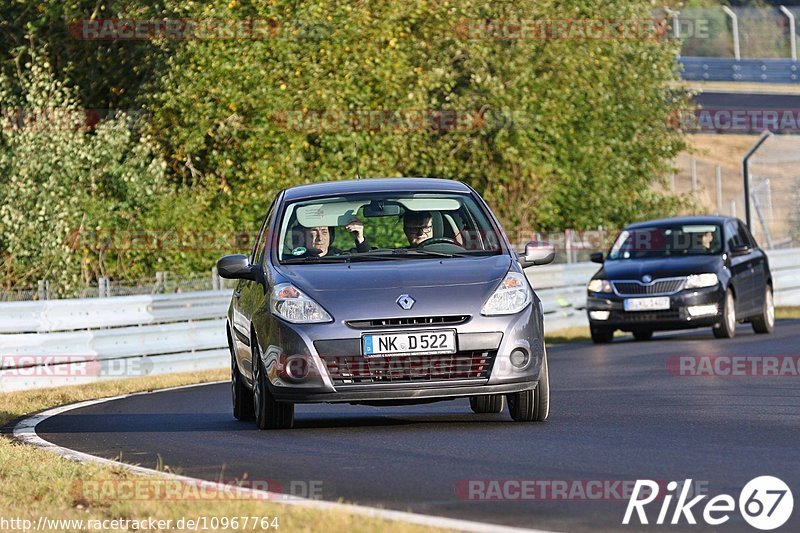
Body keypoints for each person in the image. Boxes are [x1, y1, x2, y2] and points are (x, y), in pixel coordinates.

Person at [293, 217, 369, 256]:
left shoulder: (342, 257)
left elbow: (367, 261)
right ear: (304, 236)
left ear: (330, 235)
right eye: (314, 232)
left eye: (324, 232)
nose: (320, 238)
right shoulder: (294, 262)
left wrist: (360, 237)